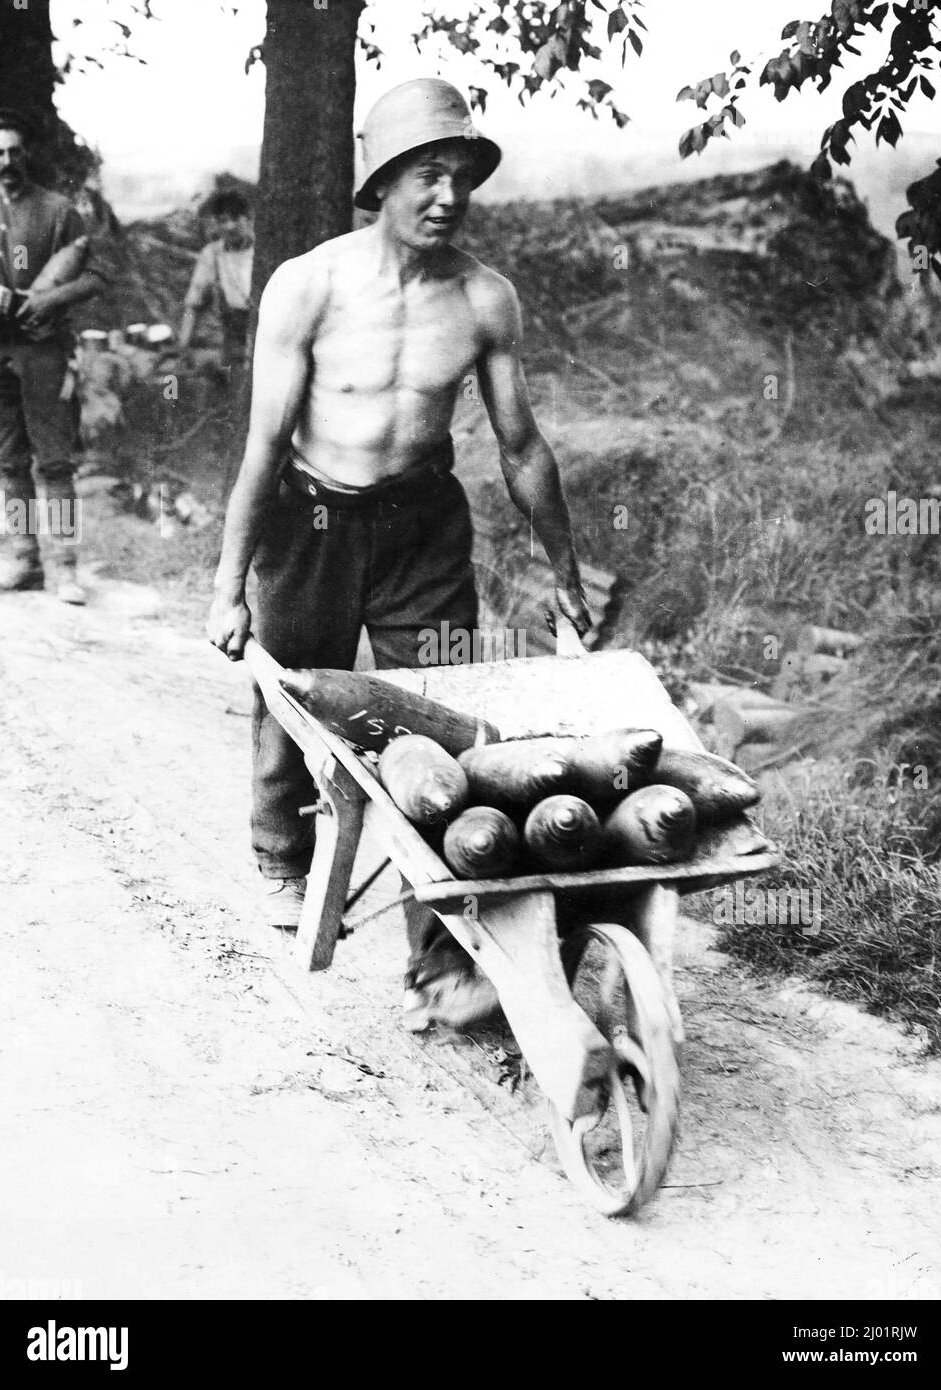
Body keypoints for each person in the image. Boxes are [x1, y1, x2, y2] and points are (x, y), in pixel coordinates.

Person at [206, 79, 590, 997]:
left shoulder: (485, 300)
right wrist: (228, 584)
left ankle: (440, 956)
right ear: (381, 181)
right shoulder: (308, 286)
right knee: (300, 698)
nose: (448, 195)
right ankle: (280, 853)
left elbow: (522, 446)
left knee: (438, 727)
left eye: (461, 175)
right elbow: (262, 444)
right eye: (427, 173)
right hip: (310, 521)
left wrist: (565, 572)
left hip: (421, 526)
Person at [0, 107, 103, 604]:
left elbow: (95, 276)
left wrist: (48, 299)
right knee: (9, 464)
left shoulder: (57, 209)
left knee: (55, 463)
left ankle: (66, 567)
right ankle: (23, 559)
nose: (8, 161)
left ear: (26, 154)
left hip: (44, 352)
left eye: (15, 151)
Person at [179, 189, 253, 380]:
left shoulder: (263, 250)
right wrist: (183, 345)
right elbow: (193, 303)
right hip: (233, 339)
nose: (230, 226)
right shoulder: (212, 254)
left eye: (236, 218)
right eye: (222, 220)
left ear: (248, 218)